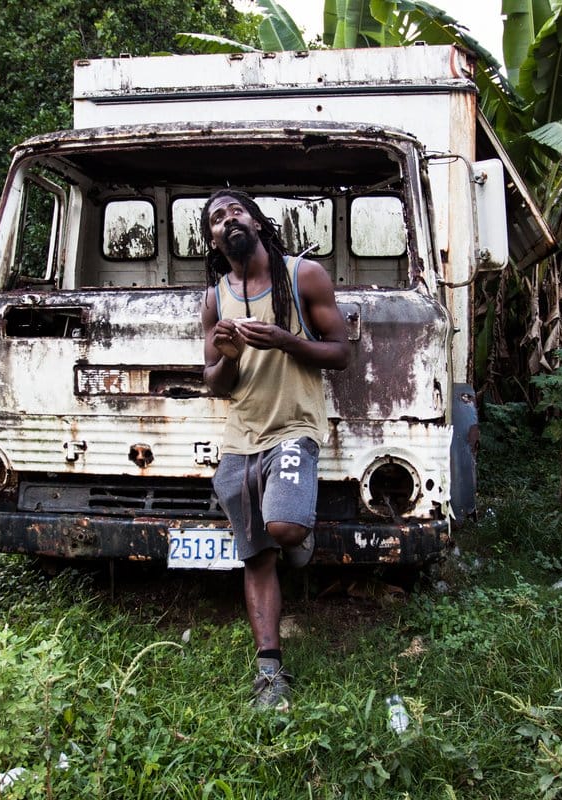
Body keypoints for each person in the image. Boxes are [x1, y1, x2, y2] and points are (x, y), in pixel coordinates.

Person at [200, 190, 351, 711]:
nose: (228, 220)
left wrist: (285, 340)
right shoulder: (215, 298)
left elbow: (341, 353)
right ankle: (269, 672)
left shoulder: (303, 276)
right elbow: (215, 384)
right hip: (241, 437)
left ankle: (297, 534)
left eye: (235, 210)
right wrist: (226, 357)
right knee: (256, 554)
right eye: (217, 219)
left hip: (293, 427)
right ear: (214, 241)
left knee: (283, 529)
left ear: (257, 222)